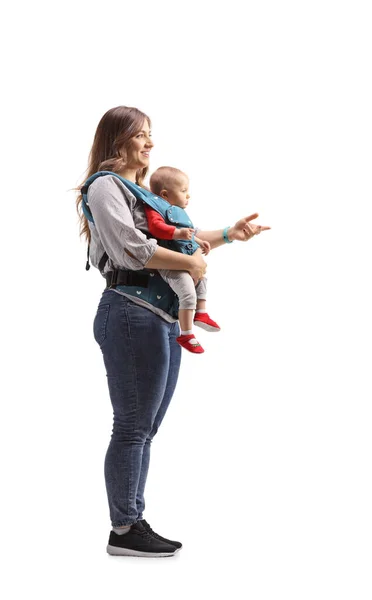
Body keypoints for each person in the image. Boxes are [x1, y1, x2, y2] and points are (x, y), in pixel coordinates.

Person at [75, 105, 270, 558]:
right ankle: (124, 529)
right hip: (130, 311)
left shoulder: (143, 194)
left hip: (158, 318)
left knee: (145, 427)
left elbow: (182, 239)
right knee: (131, 426)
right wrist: (190, 262)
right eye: (142, 135)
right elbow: (130, 250)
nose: (150, 143)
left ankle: (131, 521)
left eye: (150, 135)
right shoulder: (105, 186)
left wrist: (227, 234)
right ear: (119, 138)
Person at [146, 165, 220, 354]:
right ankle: (186, 333)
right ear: (165, 194)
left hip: (185, 257)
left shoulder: (177, 211)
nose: (188, 196)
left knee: (202, 279)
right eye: (184, 191)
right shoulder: (154, 207)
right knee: (188, 294)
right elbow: (156, 228)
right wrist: (179, 233)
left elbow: (188, 233)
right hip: (171, 262)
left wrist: (199, 240)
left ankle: (201, 313)